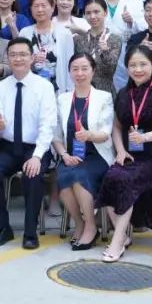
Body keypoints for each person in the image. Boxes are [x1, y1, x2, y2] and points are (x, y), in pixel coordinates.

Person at [96, 46, 152, 262]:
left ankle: (117, 241)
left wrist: (145, 138)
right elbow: (117, 126)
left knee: (125, 181)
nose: (138, 69)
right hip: (129, 154)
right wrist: (120, 150)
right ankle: (123, 233)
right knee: (109, 177)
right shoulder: (123, 93)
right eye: (133, 65)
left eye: (143, 64)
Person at [0, 38, 56, 249]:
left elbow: (48, 126)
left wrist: (37, 156)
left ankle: (30, 232)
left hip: (35, 147)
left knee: (32, 175)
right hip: (7, 146)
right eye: (13, 55)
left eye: (23, 54)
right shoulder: (0, 88)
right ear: (7, 58)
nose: (18, 59)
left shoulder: (44, 87)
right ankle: (2, 228)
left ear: (32, 58)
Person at [52, 53, 115, 251]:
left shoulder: (104, 97)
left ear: (93, 71)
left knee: (79, 177)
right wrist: (64, 155)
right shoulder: (62, 99)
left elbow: (105, 133)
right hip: (70, 155)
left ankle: (90, 226)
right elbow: (56, 135)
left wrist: (90, 135)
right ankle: (79, 224)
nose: (80, 73)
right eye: (75, 69)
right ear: (69, 72)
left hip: (96, 155)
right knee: (63, 179)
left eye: (84, 68)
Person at [19, 0, 75, 93]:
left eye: (43, 5)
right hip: (30, 89)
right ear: (31, 9)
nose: (40, 9)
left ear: (53, 8)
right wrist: (32, 60)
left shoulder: (64, 33)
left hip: (57, 89)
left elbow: (69, 64)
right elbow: (19, 62)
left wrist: (69, 91)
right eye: (36, 6)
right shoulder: (25, 33)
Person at [73, 0, 122, 95]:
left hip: (105, 92)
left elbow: (111, 69)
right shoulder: (78, 40)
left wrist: (105, 51)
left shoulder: (114, 39)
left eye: (96, 12)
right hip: (82, 92)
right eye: (88, 13)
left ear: (105, 12)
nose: (92, 16)